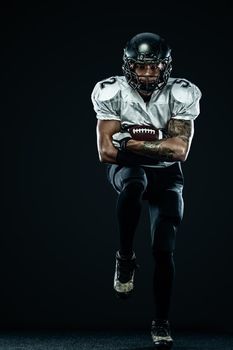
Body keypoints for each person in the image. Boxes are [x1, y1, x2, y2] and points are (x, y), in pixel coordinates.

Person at [91, 32, 201, 349]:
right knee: (135, 182)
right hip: (127, 170)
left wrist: (134, 143)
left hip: (167, 176)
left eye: (155, 67)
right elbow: (106, 153)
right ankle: (125, 256)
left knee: (164, 250)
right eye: (141, 66)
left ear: (166, 67)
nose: (148, 74)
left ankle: (161, 321)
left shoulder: (182, 92)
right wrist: (158, 144)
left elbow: (179, 150)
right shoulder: (111, 90)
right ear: (129, 66)